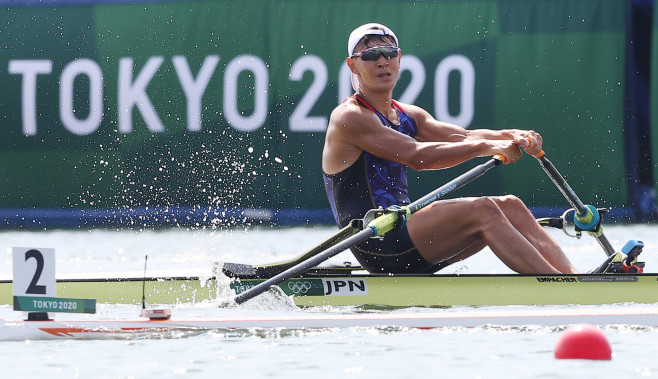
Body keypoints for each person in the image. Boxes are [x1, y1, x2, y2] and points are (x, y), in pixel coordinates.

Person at [322, 23, 622, 275]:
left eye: (389, 53)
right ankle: (559, 288)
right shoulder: (350, 117)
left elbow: (461, 136)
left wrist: (512, 135)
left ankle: (571, 280)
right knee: (484, 210)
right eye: (371, 55)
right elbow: (417, 156)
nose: (382, 61)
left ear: (400, 59)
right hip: (377, 244)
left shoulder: (407, 114)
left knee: (511, 205)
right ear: (353, 64)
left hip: (405, 231)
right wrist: (488, 146)